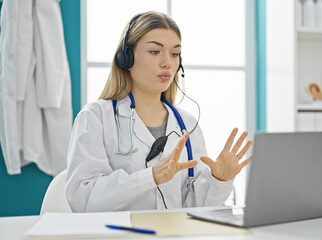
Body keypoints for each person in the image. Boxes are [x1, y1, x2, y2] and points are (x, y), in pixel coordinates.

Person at [66, 11, 252, 212]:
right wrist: (150, 177)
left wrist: (219, 180)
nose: (167, 63)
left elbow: (195, 209)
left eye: (174, 53)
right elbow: (83, 199)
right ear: (125, 58)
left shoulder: (187, 125)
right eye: (155, 51)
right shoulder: (95, 117)